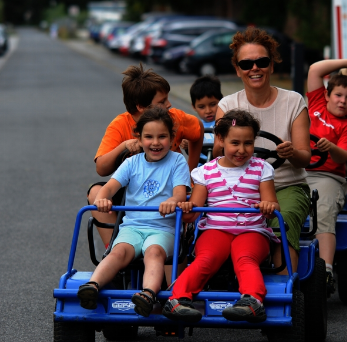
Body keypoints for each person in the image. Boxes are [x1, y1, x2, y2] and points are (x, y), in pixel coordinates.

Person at [162, 109, 280, 323]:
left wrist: (267, 205)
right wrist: (188, 207)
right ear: (221, 140)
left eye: (248, 143)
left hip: (252, 230)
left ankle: (253, 300)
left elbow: (272, 202)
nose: (242, 150)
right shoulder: (205, 171)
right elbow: (196, 207)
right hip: (215, 229)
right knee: (206, 258)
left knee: (245, 258)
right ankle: (177, 299)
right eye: (235, 143)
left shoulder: (262, 168)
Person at [214, 27, 311, 272]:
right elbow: (215, 154)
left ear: (271, 65)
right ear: (238, 70)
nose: (254, 68)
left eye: (262, 61)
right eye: (246, 64)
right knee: (213, 224)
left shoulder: (294, 101)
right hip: (238, 186)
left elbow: (305, 159)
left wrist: (290, 153)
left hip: (285, 185)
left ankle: (284, 290)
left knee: (282, 221)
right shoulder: (227, 105)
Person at [77, 107, 190, 316]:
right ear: (139, 138)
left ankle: (147, 293)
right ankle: (92, 285)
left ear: (172, 137)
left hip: (162, 228)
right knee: (118, 252)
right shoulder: (132, 162)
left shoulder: (177, 161)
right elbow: (111, 186)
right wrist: (103, 197)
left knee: (153, 253)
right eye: (149, 137)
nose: (155, 142)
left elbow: (180, 194)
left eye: (162, 137)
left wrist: (172, 201)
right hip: (132, 227)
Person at [88, 64, 204, 247]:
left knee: (199, 195)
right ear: (141, 107)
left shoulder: (174, 118)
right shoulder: (120, 124)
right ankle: (114, 249)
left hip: (171, 189)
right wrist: (124, 146)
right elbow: (101, 168)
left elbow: (198, 130)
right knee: (96, 192)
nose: (169, 104)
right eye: (162, 101)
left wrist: (191, 169)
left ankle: (177, 247)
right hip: (134, 191)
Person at [305, 59, 347, 287]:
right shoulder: (316, 106)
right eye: (338, 95)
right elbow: (314, 69)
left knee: (323, 210)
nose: (343, 101)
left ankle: (325, 270)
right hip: (298, 171)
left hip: (329, 177)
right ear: (327, 95)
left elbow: (344, 158)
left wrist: (331, 147)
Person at [180, 75, 223, 158]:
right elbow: (192, 154)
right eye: (201, 107)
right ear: (194, 107)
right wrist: (186, 145)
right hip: (200, 167)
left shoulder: (226, 124)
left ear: (222, 101)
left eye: (213, 104)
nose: (208, 111)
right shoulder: (194, 127)